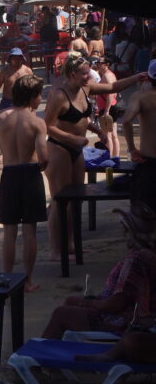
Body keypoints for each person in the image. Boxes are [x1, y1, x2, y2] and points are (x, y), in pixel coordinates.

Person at [44, 57, 146, 260]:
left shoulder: (85, 88)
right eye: (84, 73)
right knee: (60, 201)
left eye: (89, 72)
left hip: (77, 150)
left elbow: (111, 87)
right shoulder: (59, 95)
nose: (89, 76)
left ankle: (70, 245)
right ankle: (57, 250)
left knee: (76, 199)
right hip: (59, 149)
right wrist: (73, 138)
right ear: (72, 74)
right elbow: (48, 126)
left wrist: (136, 77)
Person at [41, 203, 156, 339]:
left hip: (125, 320)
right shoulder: (146, 254)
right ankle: (61, 348)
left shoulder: (135, 260)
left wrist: (91, 303)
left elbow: (117, 304)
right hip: (130, 313)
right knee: (71, 301)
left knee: (61, 314)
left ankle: (37, 354)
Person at [0, 75, 48, 293]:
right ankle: (28, 280)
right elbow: (43, 156)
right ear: (32, 97)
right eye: (40, 95)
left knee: (9, 232)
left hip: (9, 175)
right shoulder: (37, 122)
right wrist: (43, 163)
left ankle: (7, 279)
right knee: (30, 231)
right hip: (30, 175)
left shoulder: (0, 117)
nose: (41, 99)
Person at [124, 60, 156, 205]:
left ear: (148, 78)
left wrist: (132, 149)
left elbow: (126, 121)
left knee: (147, 214)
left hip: (150, 160)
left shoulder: (140, 97)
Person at [94, 55, 121, 157]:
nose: (97, 64)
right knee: (113, 135)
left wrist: (106, 110)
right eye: (97, 63)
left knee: (107, 135)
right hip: (111, 107)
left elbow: (110, 92)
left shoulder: (106, 76)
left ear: (107, 65)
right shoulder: (109, 74)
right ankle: (115, 157)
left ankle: (109, 158)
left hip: (107, 108)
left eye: (100, 63)